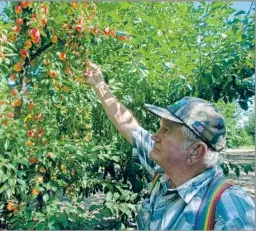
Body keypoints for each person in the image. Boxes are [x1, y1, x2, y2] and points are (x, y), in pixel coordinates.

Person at [84, 62, 255, 230]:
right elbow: (128, 126)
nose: (154, 136)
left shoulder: (231, 212)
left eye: (166, 130)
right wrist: (99, 84)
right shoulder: (165, 171)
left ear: (195, 151)